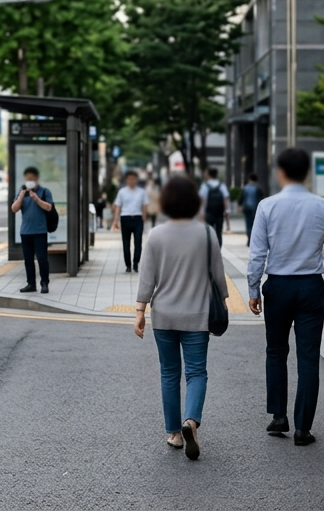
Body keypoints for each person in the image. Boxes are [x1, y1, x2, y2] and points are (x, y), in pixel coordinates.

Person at [247, 147, 324, 446]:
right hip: (310, 287)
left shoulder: (267, 206)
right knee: (308, 357)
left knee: (276, 351)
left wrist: (253, 289)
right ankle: (303, 428)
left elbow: (257, 254)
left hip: (277, 287)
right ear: (307, 174)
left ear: (281, 172)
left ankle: (278, 416)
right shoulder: (323, 207)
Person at [134, 175, 228, 461]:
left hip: (163, 315)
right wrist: (223, 303)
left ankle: (174, 433)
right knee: (196, 372)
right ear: (195, 201)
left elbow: (147, 277)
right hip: (197, 315)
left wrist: (139, 311)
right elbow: (218, 277)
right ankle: (191, 421)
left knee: (169, 373)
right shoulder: (207, 233)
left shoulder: (157, 235)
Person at [11, 166, 55, 295]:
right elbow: (14, 208)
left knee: (42, 258)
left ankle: (44, 283)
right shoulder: (21, 192)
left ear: (36, 178)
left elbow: (49, 207)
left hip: (40, 231)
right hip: (26, 232)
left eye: (31, 178)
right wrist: (21, 196)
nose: (29, 180)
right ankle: (31, 283)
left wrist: (36, 199)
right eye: (27, 179)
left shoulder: (44, 191)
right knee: (28, 259)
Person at [112, 170, 148, 272]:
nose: (131, 181)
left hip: (137, 218)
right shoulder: (122, 192)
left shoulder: (141, 192)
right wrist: (115, 220)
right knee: (126, 243)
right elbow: (118, 207)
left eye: (133, 179)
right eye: (129, 179)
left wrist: (144, 217)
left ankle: (136, 263)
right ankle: (128, 265)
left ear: (136, 180)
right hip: (125, 218)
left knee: (138, 242)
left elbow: (144, 205)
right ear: (126, 180)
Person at [201, 168, 230, 247]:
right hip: (219, 214)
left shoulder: (205, 186)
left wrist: (201, 216)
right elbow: (225, 200)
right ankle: (218, 249)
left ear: (208, 174)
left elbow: (203, 202)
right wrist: (227, 213)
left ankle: (209, 249)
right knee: (218, 233)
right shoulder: (222, 186)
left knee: (208, 233)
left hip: (208, 213)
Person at [239, 173, 263, 246]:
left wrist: (240, 206)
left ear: (249, 180)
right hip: (255, 209)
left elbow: (241, 198)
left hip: (247, 209)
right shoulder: (258, 188)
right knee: (255, 225)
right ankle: (253, 240)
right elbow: (261, 198)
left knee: (248, 224)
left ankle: (249, 239)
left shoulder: (245, 188)